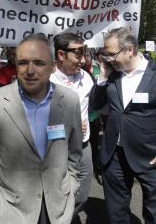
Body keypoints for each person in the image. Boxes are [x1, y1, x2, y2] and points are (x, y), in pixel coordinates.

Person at [0, 34, 82, 224]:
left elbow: (75, 154)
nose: (30, 70)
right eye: (23, 62)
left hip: (57, 210)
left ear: (53, 66)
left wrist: (70, 187)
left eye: (39, 63)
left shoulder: (70, 100)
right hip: (10, 213)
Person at [91, 27, 156, 223]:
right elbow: (95, 105)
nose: (106, 58)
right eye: (104, 54)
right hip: (113, 156)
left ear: (130, 49)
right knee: (116, 213)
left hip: (149, 155)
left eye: (111, 53)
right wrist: (102, 78)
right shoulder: (111, 74)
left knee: (154, 213)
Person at [50, 32, 94, 217]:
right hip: (54, 150)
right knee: (55, 194)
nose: (83, 60)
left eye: (84, 53)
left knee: (82, 194)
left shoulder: (86, 78)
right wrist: (68, 128)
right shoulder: (45, 82)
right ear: (61, 55)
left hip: (83, 147)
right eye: (78, 54)